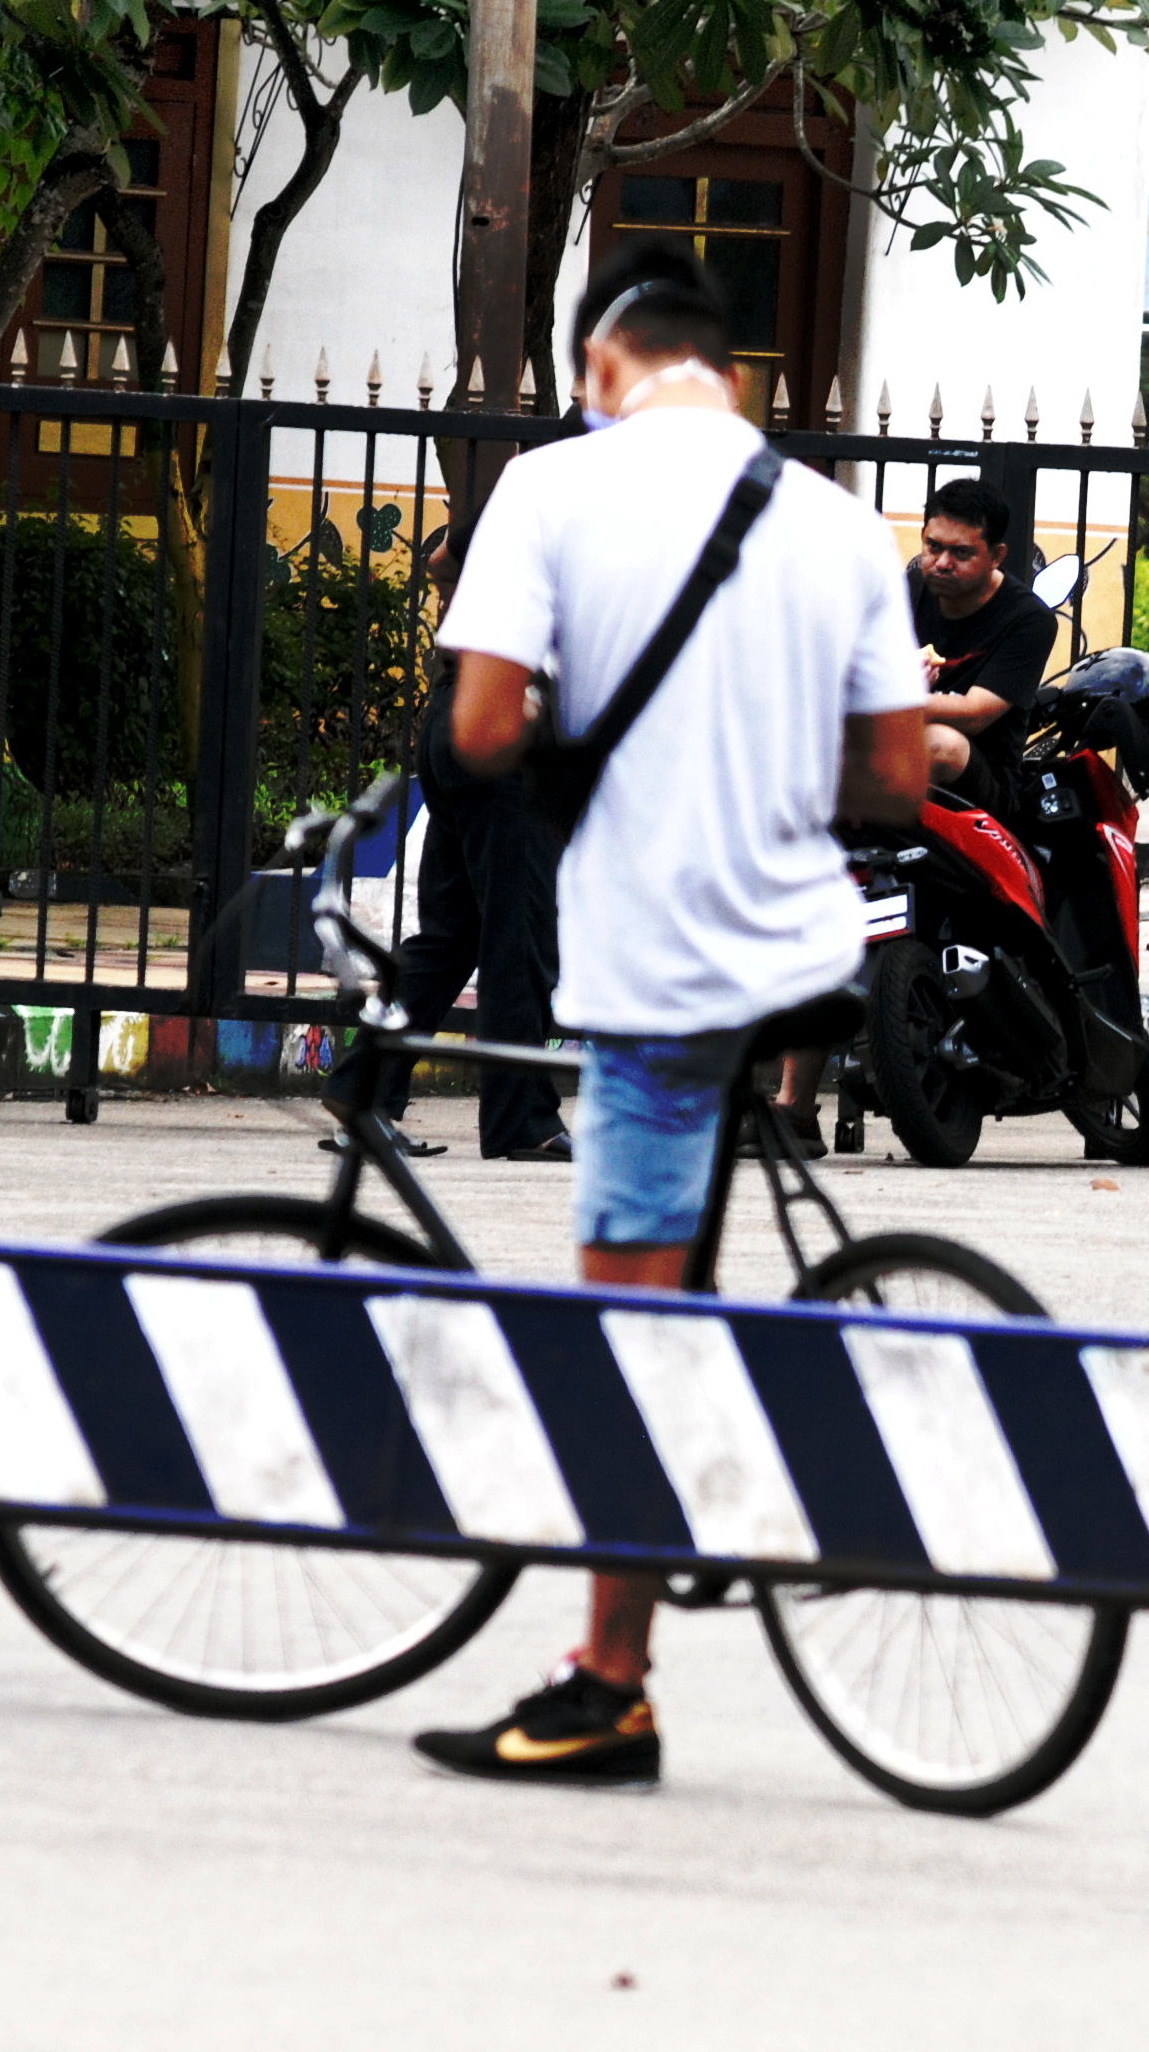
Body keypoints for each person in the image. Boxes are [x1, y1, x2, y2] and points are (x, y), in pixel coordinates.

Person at [406, 240, 931, 1789]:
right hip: (811, 961)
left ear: (599, 365)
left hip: (657, 978)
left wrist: (592, 750)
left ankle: (608, 1685)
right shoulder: (837, 521)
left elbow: (480, 726)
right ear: (731, 370)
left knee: (622, 1330)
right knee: (684, 1270)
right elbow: (897, 781)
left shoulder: (549, 491)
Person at [363, 523, 569, 1162]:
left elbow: (440, 558)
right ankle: (522, 1120)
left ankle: (363, 1092)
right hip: (507, 722)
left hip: (460, 710)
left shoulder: (518, 503)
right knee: (519, 933)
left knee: (451, 935)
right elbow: (442, 558)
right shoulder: (552, 501)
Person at [912, 474, 1055, 806]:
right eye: (933, 546)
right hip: (893, 745)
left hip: (982, 782)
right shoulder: (907, 590)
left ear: (996, 556)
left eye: (961, 553)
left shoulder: (1030, 620)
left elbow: (974, 713)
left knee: (940, 743)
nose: (942, 563)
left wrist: (893, 697)